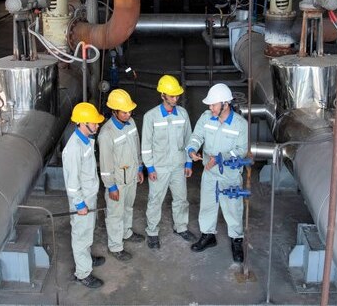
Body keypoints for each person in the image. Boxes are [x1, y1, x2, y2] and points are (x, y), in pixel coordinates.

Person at [186, 83, 249, 262]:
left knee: (233, 208)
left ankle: (237, 239)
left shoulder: (240, 124)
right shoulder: (207, 117)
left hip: (230, 174)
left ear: (225, 104)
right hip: (209, 172)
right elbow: (197, 136)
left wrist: (220, 158)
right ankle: (208, 235)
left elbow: (241, 150)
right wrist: (192, 149)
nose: (210, 107)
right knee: (207, 204)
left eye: (213, 104)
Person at [141, 75, 197, 249]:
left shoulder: (183, 114)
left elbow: (189, 140)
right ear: (163, 95)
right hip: (159, 167)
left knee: (181, 199)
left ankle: (181, 227)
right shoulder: (151, 117)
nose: (175, 98)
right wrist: (149, 167)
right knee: (155, 200)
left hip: (178, 166)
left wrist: (188, 163)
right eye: (172, 96)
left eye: (177, 95)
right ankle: (152, 232)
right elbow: (146, 146)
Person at [62, 102, 106, 288]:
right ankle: (83, 273)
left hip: (89, 196)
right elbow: (71, 184)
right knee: (81, 235)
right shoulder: (73, 149)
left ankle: (85, 259)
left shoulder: (86, 140)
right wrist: (79, 204)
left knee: (88, 231)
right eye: (94, 123)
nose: (97, 125)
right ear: (82, 123)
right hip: (82, 200)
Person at [98, 89, 145, 261]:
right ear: (114, 111)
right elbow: (105, 164)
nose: (128, 114)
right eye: (124, 112)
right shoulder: (106, 134)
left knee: (128, 207)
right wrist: (111, 186)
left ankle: (126, 233)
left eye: (129, 111)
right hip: (117, 182)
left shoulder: (131, 123)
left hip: (131, 177)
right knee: (115, 214)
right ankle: (116, 246)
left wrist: (140, 168)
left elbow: (136, 146)